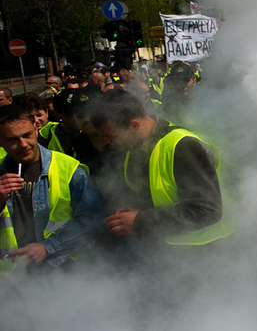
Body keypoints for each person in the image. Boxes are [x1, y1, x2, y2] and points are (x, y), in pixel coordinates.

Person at [89, 89, 232, 256]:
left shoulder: (183, 146)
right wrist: (139, 208)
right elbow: (164, 194)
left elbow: (207, 211)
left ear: (134, 125)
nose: (106, 142)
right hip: (168, 255)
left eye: (110, 136)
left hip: (204, 254)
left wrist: (140, 221)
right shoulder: (133, 146)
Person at [0, 104, 105, 272]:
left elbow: (93, 219)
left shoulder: (69, 169)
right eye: (12, 139)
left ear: (35, 129)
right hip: (14, 274)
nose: (23, 144)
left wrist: (47, 247)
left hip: (65, 268)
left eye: (27, 135)